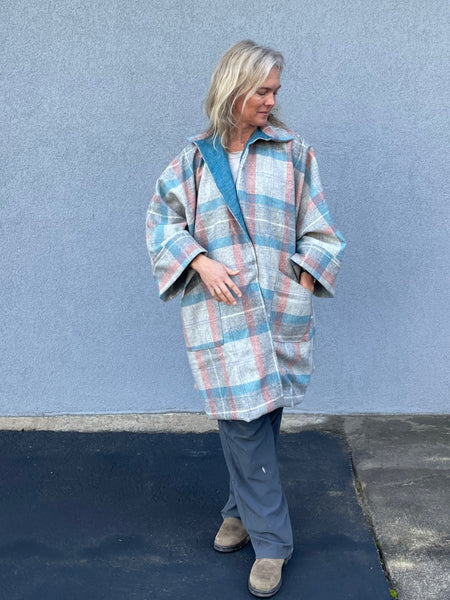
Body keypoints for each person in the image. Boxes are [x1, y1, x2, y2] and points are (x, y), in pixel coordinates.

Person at [146, 40, 345, 598]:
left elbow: (322, 231)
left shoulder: (294, 153)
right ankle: (273, 542)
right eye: (262, 90)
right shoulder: (192, 160)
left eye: (275, 90)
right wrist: (201, 261)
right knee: (244, 422)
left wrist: (302, 281)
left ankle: (237, 511)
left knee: (262, 417)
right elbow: (162, 223)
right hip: (223, 315)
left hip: (279, 309)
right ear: (233, 89)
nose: (271, 99)